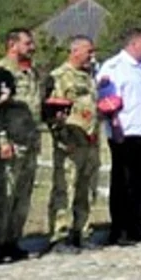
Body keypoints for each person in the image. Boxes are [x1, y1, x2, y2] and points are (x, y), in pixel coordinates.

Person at [97, 28, 141, 246]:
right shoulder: (114, 67)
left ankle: (140, 225)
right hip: (126, 133)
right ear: (134, 44)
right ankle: (120, 229)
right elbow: (107, 101)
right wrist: (114, 125)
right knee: (123, 183)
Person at [0, 28, 42, 263]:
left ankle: (12, 241)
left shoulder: (31, 71)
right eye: (27, 43)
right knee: (4, 196)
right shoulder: (1, 70)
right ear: (12, 44)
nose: (32, 47)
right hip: (11, 142)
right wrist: (2, 141)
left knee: (22, 196)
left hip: (30, 141)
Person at [44, 35, 101, 252]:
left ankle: (82, 231)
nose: (91, 56)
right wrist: (61, 138)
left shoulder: (89, 77)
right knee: (65, 189)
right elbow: (52, 112)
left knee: (87, 189)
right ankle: (60, 235)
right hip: (70, 142)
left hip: (90, 142)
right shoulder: (59, 76)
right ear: (75, 51)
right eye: (88, 51)